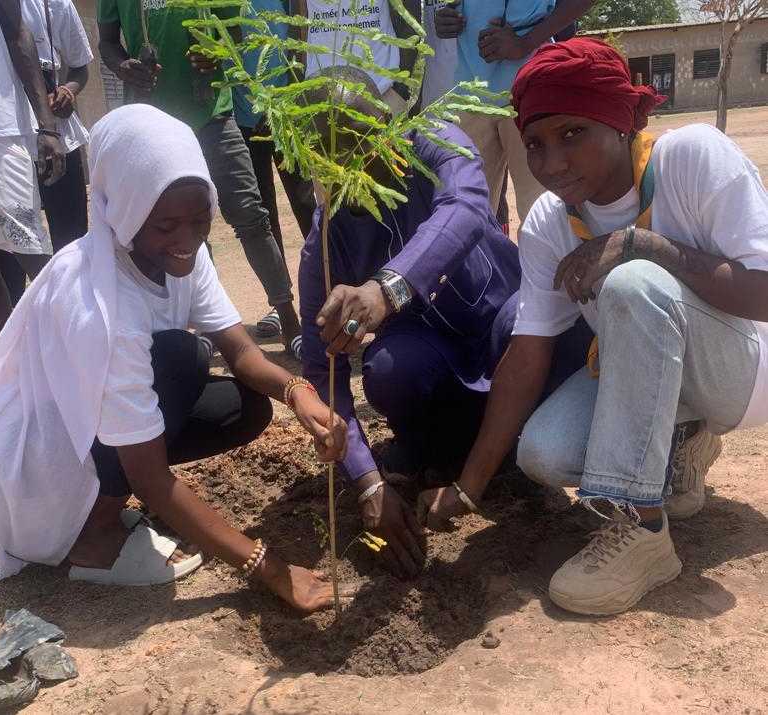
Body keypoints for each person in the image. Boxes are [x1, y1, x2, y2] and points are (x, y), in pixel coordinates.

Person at [417, 38, 768, 616]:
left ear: (623, 121)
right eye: (535, 144)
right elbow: (527, 356)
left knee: (633, 281)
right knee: (545, 455)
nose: (551, 163)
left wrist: (641, 243)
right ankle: (679, 446)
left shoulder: (693, 158)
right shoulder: (551, 223)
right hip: (663, 375)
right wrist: (468, 485)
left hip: (742, 372)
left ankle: (642, 529)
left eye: (572, 133)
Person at [0, 105, 348, 614]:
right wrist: (268, 568)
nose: (186, 240)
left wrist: (299, 394)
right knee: (180, 358)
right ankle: (91, 534)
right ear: (124, 209)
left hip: (79, 434)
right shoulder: (100, 302)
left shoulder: (184, 253)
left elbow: (240, 348)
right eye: (166, 224)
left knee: (245, 404)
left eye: (200, 218)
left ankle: (100, 503)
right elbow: (151, 477)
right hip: (30, 472)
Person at [299, 68, 591, 578]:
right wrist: (366, 480)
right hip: (432, 359)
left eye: (370, 140)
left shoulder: (434, 141)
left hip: (503, 330)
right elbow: (321, 372)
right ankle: (435, 450)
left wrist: (386, 290)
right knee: (389, 368)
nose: (363, 164)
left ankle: (504, 453)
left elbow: (466, 206)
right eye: (339, 158)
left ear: (390, 123)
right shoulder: (328, 243)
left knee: (527, 331)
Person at [97, 0, 303, 355]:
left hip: (211, 114)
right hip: (151, 121)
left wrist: (217, 53)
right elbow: (107, 41)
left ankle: (289, 320)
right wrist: (123, 67)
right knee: (178, 227)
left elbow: (235, 28)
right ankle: (203, 327)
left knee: (250, 215)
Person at [0, 0, 64, 375]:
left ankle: (83, 345)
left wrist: (47, 125)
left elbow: (19, 35)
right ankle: (14, 367)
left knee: (29, 247)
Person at [434, 0, 591, 222]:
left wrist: (526, 43)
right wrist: (444, 19)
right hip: (469, 94)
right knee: (466, 214)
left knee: (543, 213)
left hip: (531, 90)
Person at [0, 0, 95, 305]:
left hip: (58, 129)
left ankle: (80, 311)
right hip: (6, 126)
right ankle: (17, 323)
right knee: (10, 242)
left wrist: (69, 90)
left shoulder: (57, 5)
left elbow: (80, 67)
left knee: (71, 232)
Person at [234, 0, 317, 346]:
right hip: (241, 114)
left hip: (286, 109)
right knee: (262, 210)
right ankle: (281, 302)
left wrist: (290, 98)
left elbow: (300, 33)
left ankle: (326, 286)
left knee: (306, 202)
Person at [293, 0, 420, 115]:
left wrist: (400, 90)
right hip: (319, 95)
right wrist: (299, 89)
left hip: (384, 93)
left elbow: (410, 18)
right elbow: (295, 20)